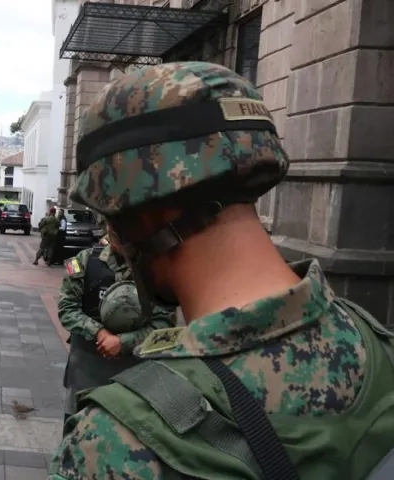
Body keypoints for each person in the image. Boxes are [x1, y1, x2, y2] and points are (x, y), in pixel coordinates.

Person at [49, 62, 394, 480]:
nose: (110, 232)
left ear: (140, 210)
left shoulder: (115, 443)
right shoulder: (379, 348)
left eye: (109, 213)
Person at [58, 240, 175, 435]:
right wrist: (99, 333)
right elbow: (67, 308)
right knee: (79, 433)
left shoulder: (155, 268)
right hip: (88, 369)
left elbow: (165, 325)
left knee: (129, 439)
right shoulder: (84, 261)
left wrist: (123, 342)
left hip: (136, 375)